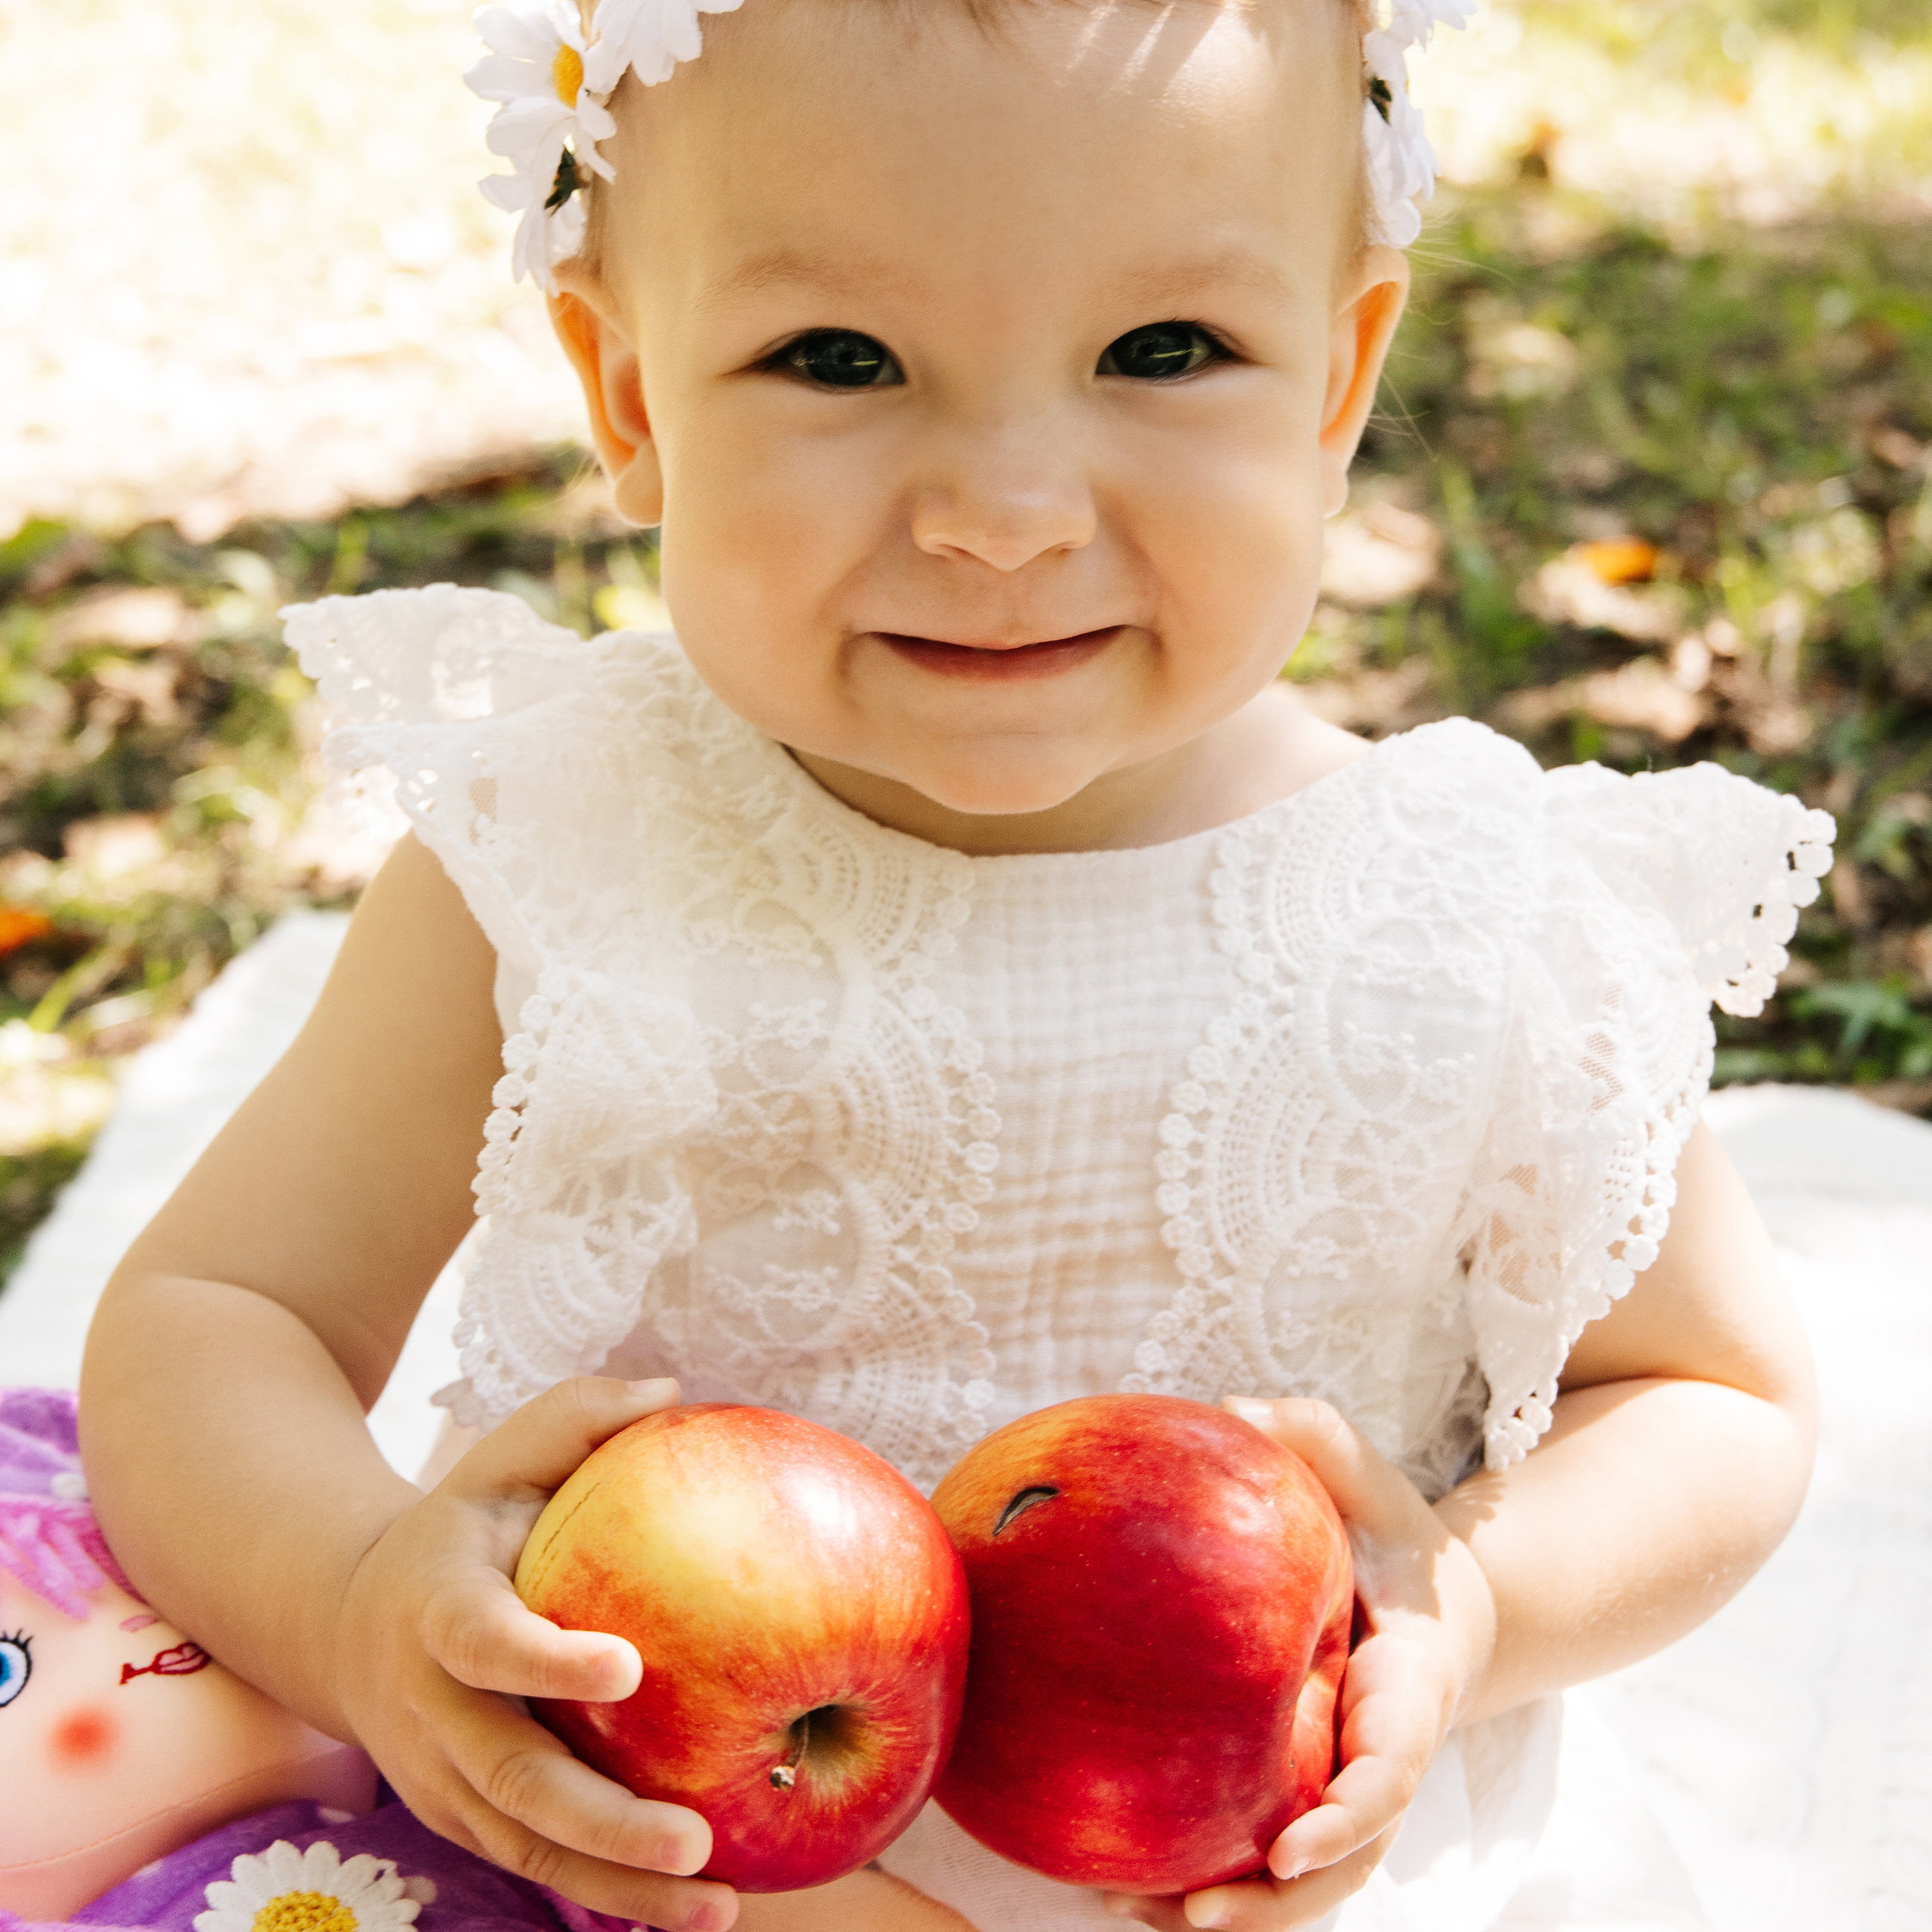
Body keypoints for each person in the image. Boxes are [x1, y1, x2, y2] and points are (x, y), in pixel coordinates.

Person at [78, 1, 1834, 1928]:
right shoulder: (567, 858)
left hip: (1303, 1870)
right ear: (631, 398)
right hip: (654, 1867)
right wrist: (355, 1600)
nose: (1002, 510)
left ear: (1335, 386)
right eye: (838, 357)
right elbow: (218, 1314)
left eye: (1161, 350)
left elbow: (1707, 1396)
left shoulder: (1472, 904)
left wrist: (1471, 1601)